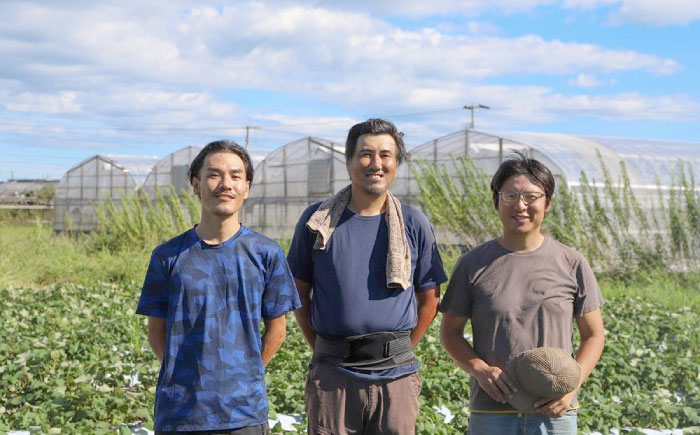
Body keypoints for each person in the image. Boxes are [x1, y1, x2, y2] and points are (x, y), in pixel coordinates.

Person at [287, 118, 448, 435]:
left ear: (396, 164)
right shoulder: (318, 221)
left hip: (396, 377)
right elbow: (298, 293)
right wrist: (323, 348)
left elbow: (429, 299)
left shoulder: (413, 222)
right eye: (365, 154)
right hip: (333, 375)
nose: (376, 164)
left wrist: (398, 349)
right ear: (349, 162)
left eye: (385, 155)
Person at [136, 140, 301, 434]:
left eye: (235, 176)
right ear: (196, 185)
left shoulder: (266, 253)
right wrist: (185, 378)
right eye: (214, 175)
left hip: (244, 414)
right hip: (181, 414)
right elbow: (156, 332)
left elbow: (277, 330)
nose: (225, 184)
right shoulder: (169, 256)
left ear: (247, 187)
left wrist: (246, 374)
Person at [439, 151, 605, 434]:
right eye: (510, 195)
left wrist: (571, 386)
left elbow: (594, 335)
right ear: (496, 201)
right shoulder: (472, 264)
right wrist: (479, 370)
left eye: (532, 196)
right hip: (491, 411)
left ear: (547, 203)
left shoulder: (572, 262)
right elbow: (450, 332)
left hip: (555, 411)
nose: (521, 205)